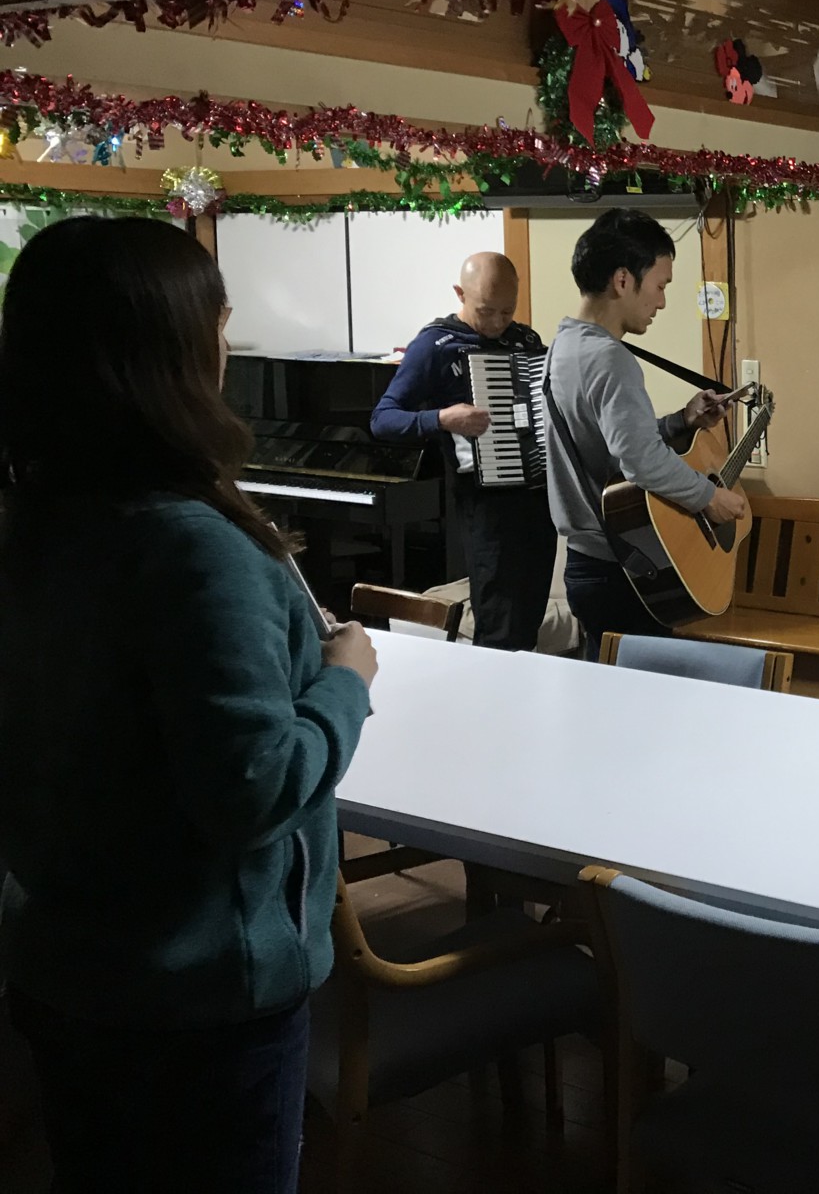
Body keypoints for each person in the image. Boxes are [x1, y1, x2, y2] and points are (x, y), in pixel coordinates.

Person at [0, 217, 377, 1192]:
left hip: (67, 961)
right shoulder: (192, 543)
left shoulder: (39, 519)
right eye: (218, 325)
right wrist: (346, 679)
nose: (227, 348)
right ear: (169, 353)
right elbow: (253, 788)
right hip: (202, 1001)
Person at [544, 210, 746, 651]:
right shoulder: (610, 358)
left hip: (587, 565)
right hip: (625, 568)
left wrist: (680, 422)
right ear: (623, 280)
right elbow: (639, 461)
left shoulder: (564, 345)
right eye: (660, 285)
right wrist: (709, 497)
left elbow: (614, 441)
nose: (662, 302)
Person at [371, 251, 554, 650]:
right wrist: (441, 418)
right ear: (460, 294)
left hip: (538, 499)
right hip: (485, 505)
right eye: (486, 311)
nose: (498, 322)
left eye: (507, 311)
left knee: (528, 622)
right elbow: (383, 419)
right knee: (498, 625)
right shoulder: (435, 345)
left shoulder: (525, 341)